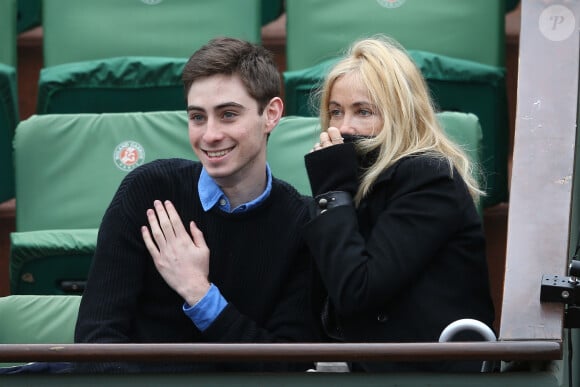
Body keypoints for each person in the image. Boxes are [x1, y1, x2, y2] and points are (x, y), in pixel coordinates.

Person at [74, 37, 318, 373]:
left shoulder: (302, 222)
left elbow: (285, 364)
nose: (210, 135)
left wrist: (200, 294)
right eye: (197, 117)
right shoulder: (148, 191)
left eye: (228, 114)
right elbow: (95, 343)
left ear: (271, 114)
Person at [303, 35, 495, 373]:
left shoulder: (430, 178)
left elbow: (357, 290)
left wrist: (332, 194)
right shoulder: (354, 179)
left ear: (400, 114)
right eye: (335, 112)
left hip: (431, 376)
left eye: (363, 111)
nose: (344, 127)